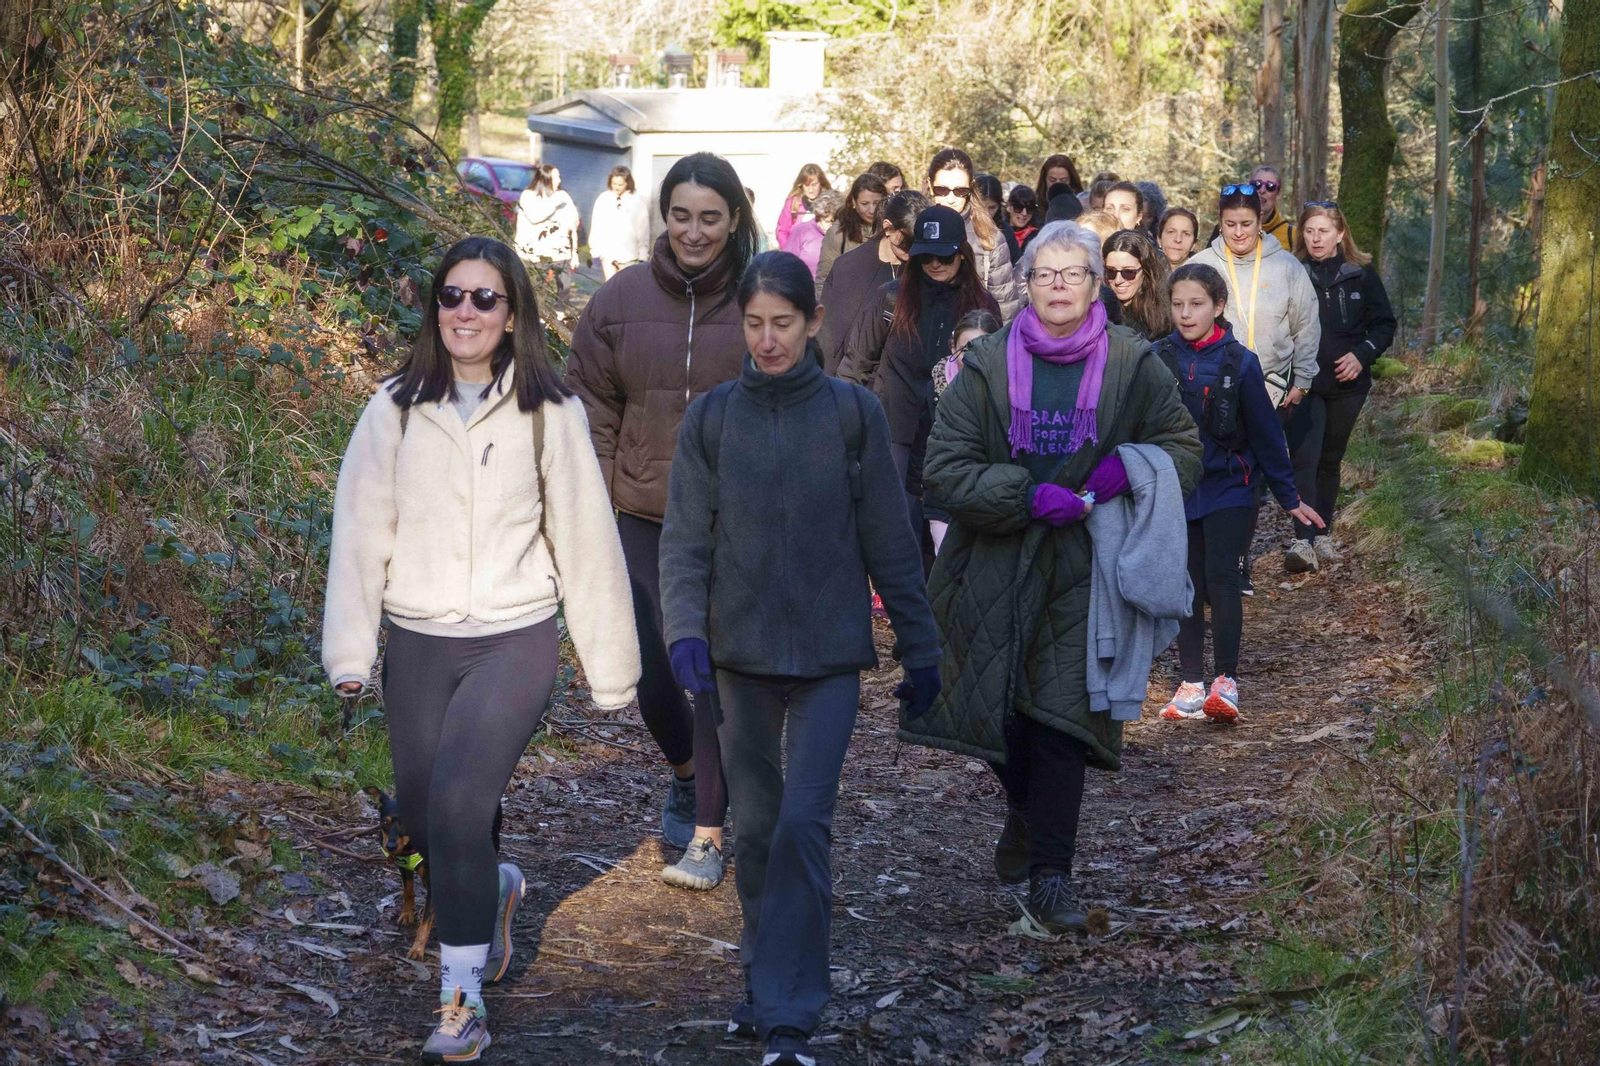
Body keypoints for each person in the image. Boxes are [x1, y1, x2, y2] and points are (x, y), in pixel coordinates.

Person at [323, 237, 641, 1063]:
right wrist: (350, 651)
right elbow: (360, 531)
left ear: (512, 313)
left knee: (462, 806)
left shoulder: (550, 411)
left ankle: (461, 1005)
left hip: (513, 636)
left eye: (484, 298)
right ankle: (490, 885)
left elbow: (586, 538)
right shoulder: (394, 407)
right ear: (436, 307)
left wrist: (612, 669)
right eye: (452, 296)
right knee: (426, 819)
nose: (465, 311)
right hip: (419, 639)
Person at [659, 250, 940, 1066]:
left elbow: (890, 540)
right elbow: (685, 539)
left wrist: (921, 649)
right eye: (754, 324)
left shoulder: (853, 414)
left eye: (783, 323)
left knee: (804, 828)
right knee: (757, 828)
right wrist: (685, 632)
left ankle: (790, 1014)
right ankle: (763, 973)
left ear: (814, 321)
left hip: (828, 661)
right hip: (739, 659)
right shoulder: (713, 420)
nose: (769, 339)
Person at [903, 220, 1201, 935]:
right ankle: (1025, 810)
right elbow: (944, 469)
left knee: (1060, 719)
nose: (1059, 285)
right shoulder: (987, 363)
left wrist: (1129, 467)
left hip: (1086, 566)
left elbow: (1184, 448)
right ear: (1027, 284)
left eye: (1073, 273)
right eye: (1045, 274)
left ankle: (1051, 880)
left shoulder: (1133, 363)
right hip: (991, 562)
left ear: (1097, 285)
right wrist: (1025, 495)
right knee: (998, 710)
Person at [565, 153, 760, 885]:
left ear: (733, 220)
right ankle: (687, 772)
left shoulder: (759, 297)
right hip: (639, 513)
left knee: (707, 668)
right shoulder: (619, 299)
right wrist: (600, 493)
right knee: (645, 664)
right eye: (681, 215)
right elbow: (590, 402)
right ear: (664, 216)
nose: (694, 231)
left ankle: (709, 825)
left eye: (710, 217)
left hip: (730, 521)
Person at [1155, 263, 1323, 724]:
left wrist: (1290, 497)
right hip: (1178, 489)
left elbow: (1267, 435)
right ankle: (1191, 683)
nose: (1185, 314)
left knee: (1222, 577)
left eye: (1196, 304)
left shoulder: (1241, 362)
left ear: (1218, 306)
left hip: (1231, 485)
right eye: (1178, 304)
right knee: (1187, 582)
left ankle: (1225, 682)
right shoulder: (1157, 358)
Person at [838, 204, 1000, 541]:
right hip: (895, 427)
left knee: (953, 531)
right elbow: (856, 363)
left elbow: (998, 375)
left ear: (963, 255)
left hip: (957, 432)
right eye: (926, 256)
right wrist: (847, 426)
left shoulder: (982, 306)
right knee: (897, 526)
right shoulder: (891, 298)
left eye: (945, 256)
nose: (935, 263)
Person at [1188, 182, 1320, 577]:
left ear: (1260, 221)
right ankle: (1219, 562)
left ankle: (1238, 562)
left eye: (1246, 223)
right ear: (1220, 222)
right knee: (1222, 475)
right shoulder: (1201, 266)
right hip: (1213, 391)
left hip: (1271, 388)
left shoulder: (1287, 267)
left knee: (1253, 478)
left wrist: (1303, 379)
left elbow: (1306, 326)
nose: (1239, 232)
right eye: (1230, 224)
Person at [1287, 201, 1396, 565]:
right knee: (1305, 458)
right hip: (1304, 382)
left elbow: (1384, 324)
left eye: (1323, 231)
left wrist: (1361, 355)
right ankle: (1302, 541)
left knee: (1330, 459)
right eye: (1309, 231)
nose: (1316, 239)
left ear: (1340, 234)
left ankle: (1322, 535)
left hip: (1348, 384)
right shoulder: (1293, 271)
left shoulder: (1360, 272)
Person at [817, 190, 930, 373]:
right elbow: (830, 339)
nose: (912, 252)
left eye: (919, 244)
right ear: (888, 228)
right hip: (855, 378)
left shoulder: (928, 267)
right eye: (907, 243)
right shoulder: (850, 267)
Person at [922, 308, 1003, 553]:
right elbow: (923, 441)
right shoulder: (935, 387)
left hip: (987, 497)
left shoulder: (1008, 389)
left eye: (983, 345)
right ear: (952, 346)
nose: (973, 355)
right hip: (942, 500)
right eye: (966, 348)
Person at [926, 148, 1022, 319]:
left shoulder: (988, 236)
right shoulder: (914, 228)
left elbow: (1005, 308)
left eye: (959, 191)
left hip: (976, 330)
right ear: (930, 185)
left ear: (970, 188)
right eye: (942, 190)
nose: (950, 199)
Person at [815, 172, 889, 290]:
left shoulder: (893, 228)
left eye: (877, 203)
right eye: (865, 204)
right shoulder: (839, 233)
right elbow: (824, 280)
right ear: (854, 202)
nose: (872, 210)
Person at [1102, 229, 1171, 340]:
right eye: (1111, 271)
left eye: (1128, 272)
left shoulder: (1167, 313)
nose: (1118, 280)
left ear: (1146, 271)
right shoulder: (1097, 310)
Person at [1206, 165, 1296, 250]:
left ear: (1278, 194)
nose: (1262, 190)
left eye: (1270, 186)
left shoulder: (1291, 234)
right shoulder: (1224, 229)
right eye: (1257, 184)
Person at [514, 163, 579, 274]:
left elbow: (573, 225)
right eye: (555, 178)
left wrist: (575, 254)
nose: (559, 181)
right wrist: (554, 203)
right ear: (545, 179)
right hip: (534, 257)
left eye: (559, 177)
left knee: (562, 285)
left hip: (561, 257)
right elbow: (534, 217)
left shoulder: (563, 195)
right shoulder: (529, 195)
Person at [589, 165, 650, 280]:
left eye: (620, 184)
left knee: (626, 287)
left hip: (630, 255)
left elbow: (643, 229)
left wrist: (643, 254)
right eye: (614, 184)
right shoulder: (603, 199)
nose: (616, 187)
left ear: (627, 183)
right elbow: (596, 225)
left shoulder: (637, 201)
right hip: (608, 254)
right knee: (610, 286)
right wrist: (595, 250)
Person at [781, 188, 845, 277]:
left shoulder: (847, 233)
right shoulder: (801, 231)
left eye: (835, 222)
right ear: (819, 216)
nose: (831, 226)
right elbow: (785, 266)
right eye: (827, 221)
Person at [774, 163, 830, 250]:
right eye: (807, 185)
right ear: (801, 185)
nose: (811, 190)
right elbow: (782, 232)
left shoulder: (830, 203)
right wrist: (790, 253)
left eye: (814, 185)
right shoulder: (793, 204)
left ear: (821, 183)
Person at [974, 173, 1020, 261]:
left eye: (992, 207)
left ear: (999, 206)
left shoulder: (1005, 232)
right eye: (981, 207)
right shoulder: (960, 227)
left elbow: (1016, 263)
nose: (986, 213)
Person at [1007, 185, 1042, 251]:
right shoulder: (997, 232)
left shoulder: (1038, 238)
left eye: (1029, 209)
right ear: (1008, 207)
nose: (1024, 213)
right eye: (1018, 208)